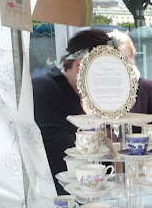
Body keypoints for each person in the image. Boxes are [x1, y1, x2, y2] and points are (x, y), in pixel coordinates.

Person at [33, 29, 112, 194]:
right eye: (104, 74)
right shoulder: (44, 89)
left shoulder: (72, 95)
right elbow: (57, 150)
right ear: (79, 66)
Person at [108, 29, 152, 128]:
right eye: (111, 60)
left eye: (123, 58)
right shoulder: (94, 94)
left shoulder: (149, 90)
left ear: (132, 58)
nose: (119, 64)